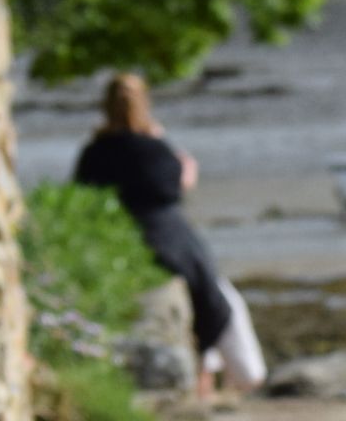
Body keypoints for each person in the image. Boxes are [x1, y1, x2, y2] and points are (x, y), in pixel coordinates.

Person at [72, 72, 236, 399]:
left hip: (113, 243)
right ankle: (210, 378)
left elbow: (82, 196)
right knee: (216, 300)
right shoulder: (156, 150)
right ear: (144, 104)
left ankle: (207, 377)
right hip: (167, 242)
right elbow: (172, 188)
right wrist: (179, 163)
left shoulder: (94, 153)